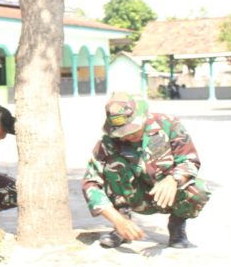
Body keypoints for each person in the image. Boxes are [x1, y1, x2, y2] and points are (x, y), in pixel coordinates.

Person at [82, 92, 210, 250]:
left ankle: (177, 226)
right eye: (121, 132)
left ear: (144, 118)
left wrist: (173, 179)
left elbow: (189, 160)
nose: (126, 136)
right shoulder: (108, 141)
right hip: (131, 197)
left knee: (199, 191)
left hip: (165, 196)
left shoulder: (169, 124)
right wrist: (118, 220)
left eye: (132, 130)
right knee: (113, 165)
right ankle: (122, 229)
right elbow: (90, 182)